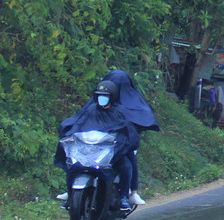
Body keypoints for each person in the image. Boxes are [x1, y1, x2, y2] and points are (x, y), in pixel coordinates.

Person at [54, 70, 160, 210]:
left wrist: (126, 140)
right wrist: (69, 134)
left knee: (126, 165)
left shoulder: (122, 110)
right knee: (74, 165)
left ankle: (125, 195)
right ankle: (71, 194)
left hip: (115, 148)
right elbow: (79, 122)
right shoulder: (92, 108)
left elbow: (130, 129)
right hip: (92, 147)